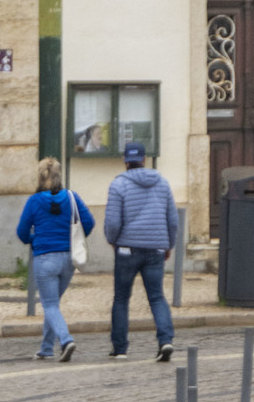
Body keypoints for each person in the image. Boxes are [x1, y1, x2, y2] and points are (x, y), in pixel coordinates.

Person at [104, 141, 178, 362]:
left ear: (125, 161)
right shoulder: (163, 184)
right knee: (157, 297)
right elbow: (173, 221)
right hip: (155, 248)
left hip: (127, 249)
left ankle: (120, 348)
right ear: (145, 159)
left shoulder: (118, 185)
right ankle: (166, 341)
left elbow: (113, 223)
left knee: (121, 298)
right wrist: (168, 245)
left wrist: (113, 241)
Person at [16, 157, 95, 362]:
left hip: (44, 259)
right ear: (59, 175)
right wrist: (74, 237)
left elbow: (22, 231)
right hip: (68, 259)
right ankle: (46, 348)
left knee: (50, 305)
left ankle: (66, 340)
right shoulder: (71, 197)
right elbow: (89, 222)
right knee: (53, 305)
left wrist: (34, 240)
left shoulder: (34, 201)